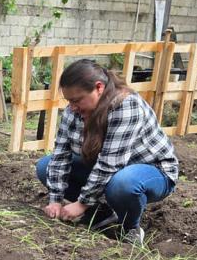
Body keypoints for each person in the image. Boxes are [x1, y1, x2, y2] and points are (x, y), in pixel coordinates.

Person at [35, 59, 179, 246]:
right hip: (109, 170)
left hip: (152, 171)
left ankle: (130, 228)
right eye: (69, 100)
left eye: (77, 100)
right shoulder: (74, 111)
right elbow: (61, 154)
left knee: (123, 183)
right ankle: (101, 213)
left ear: (99, 87)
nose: (72, 106)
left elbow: (110, 163)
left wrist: (81, 203)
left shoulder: (126, 105)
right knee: (44, 166)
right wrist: (55, 199)